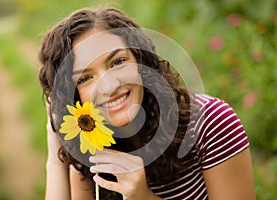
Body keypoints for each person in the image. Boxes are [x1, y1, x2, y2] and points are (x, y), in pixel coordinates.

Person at [38, 7, 256, 200]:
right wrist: (56, 158)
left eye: (118, 62)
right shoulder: (89, 153)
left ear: (141, 61)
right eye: (85, 78)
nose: (109, 85)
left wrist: (144, 198)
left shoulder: (210, 123)